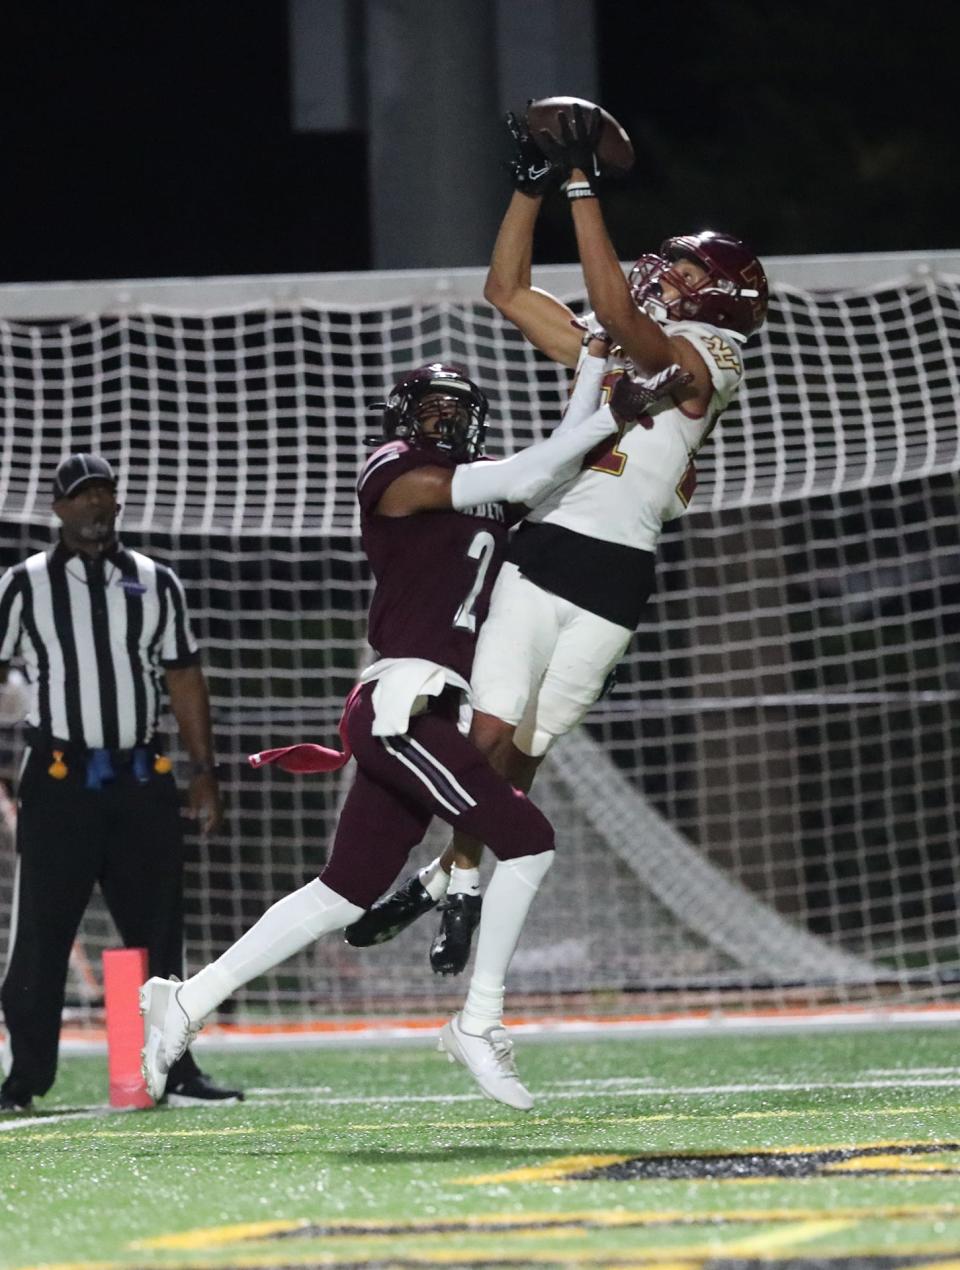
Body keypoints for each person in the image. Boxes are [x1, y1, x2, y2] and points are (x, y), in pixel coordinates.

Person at [140, 357, 686, 1111]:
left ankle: (185, 1000)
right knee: (529, 838)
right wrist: (611, 411)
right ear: (403, 414)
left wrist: (596, 367)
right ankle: (479, 1020)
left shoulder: (497, 486)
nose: (444, 419)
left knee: (345, 890)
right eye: (430, 406)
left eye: (455, 409)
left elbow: (552, 473)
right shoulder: (393, 470)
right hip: (403, 701)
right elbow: (520, 472)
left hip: (436, 709)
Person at [347, 101, 768, 976]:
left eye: (686, 270)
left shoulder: (714, 354)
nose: (670, 275)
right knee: (491, 731)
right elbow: (506, 291)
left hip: (619, 575)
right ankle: (451, 878)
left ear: (719, 294)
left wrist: (584, 185)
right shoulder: (622, 343)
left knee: (530, 746)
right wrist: (531, 189)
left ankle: (450, 871)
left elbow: (615, 307)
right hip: (544, 552)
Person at [0, 454, 241, 1111]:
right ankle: (25, 1077)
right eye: (81, 496)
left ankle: (176, 1066)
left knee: (159, 932)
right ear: (57, 508)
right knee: (42, 935)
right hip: (59, 783)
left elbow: (184, 675)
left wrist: (205, 772)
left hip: (142, 778)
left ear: (118, 503)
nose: (95, 506)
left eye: (104, 493)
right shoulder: (22, 585)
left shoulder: (154, 581)